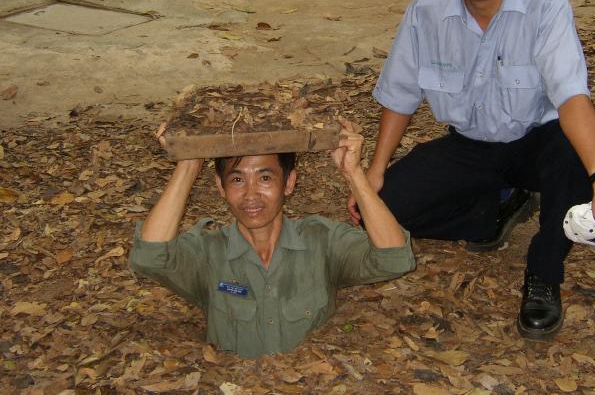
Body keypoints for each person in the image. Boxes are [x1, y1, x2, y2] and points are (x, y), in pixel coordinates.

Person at [347, 0, 595, 340]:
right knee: (376, 214)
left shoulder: (545, 5)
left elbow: (570, 97)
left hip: (539, 143)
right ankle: (498, 208)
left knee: (571, 161)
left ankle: (543, 276)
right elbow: (400, 95)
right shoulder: (427, 10)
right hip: (470, 146)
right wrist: (375, 173)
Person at [130, 120, 415, 357]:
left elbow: (394, 258)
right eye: (238, 180)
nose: (251, 195)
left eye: (265, 178)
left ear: (289, 183)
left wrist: (353, 174)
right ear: (221, 187)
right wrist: (188, 166)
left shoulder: (320, 242)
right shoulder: (208, 252)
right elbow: (149, 257)